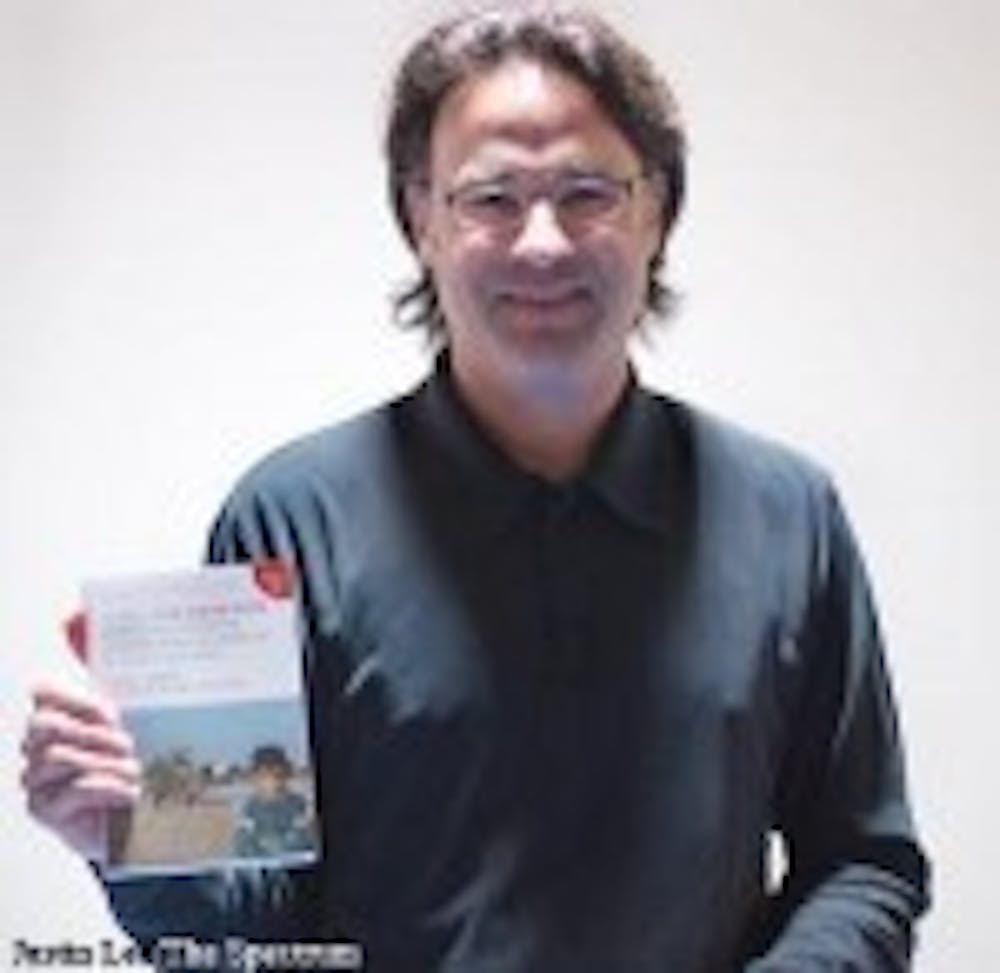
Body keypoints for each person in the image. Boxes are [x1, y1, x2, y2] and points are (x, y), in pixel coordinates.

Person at [20, 5, 930, 970]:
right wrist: (129, 834)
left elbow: (864, 862)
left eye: (587, 192)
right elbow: (247, 924)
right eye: (491, 197)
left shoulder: (787, 515)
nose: (542, 242)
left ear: (656, 209)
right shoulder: (291, 519)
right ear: (422, 218)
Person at [232, 745, 314, 860]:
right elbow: (242, 846)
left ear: (287, 775)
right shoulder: (247, 809)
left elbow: (304, 841)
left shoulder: (300, 805)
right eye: (264, 776)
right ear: (254, 778)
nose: (271, 783)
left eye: (278, 776)